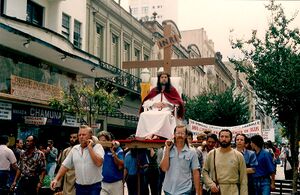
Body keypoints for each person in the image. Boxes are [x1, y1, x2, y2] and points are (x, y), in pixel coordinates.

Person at [51, 125, 104, 195]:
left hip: (94, 187)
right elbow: (65, 166)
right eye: (79, 135)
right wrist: (56, 179)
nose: (81, 137)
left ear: (90, 136)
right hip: (80, 187)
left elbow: (99, 163)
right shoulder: (75, 149)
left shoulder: (97, 147)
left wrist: (90, 148)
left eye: (84, 135)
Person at [136, 71, 184, 140]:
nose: (164, 79)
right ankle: (147, 135)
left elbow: (178, 102)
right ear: (159, 79)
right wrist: (154, 104)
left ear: (168, 79)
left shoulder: (172, 90)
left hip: (166, 110)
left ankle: (154, 134)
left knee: (165, 115)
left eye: (165, 77)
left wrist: (167, 103)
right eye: (162, 77)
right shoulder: (154, 90)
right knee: (143, 114)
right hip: (154, 110)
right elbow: (145, 102)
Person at [202, 129, 248, 195]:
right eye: (222, 136)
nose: (224, 139)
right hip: (217, 191)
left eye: (226, 137)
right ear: (219, 138)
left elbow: (243, 179)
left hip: (233, 191)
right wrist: (211, 184)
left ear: (231, 139)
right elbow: (204, 171)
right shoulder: (212, 154)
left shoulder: (238, 155)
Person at [160, 125, 202, 195]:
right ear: (174, 135)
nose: (180, 135)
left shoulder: (192, 151)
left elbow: (195, 172)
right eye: (178, 133)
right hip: (168, 190)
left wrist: (197, 191)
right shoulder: (167, 149)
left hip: (184, 190)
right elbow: (164, 168)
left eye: (182, 133)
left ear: (185, 135)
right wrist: (167, 149)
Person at [98, 131, 124, 195]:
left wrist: (114, 154)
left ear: (108, 140)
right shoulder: (99, 150)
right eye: (100, 141)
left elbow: (121, 165)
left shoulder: (118, 149)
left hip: (116, 183)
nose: (102, 143)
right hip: (103, 183)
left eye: (104, 141)